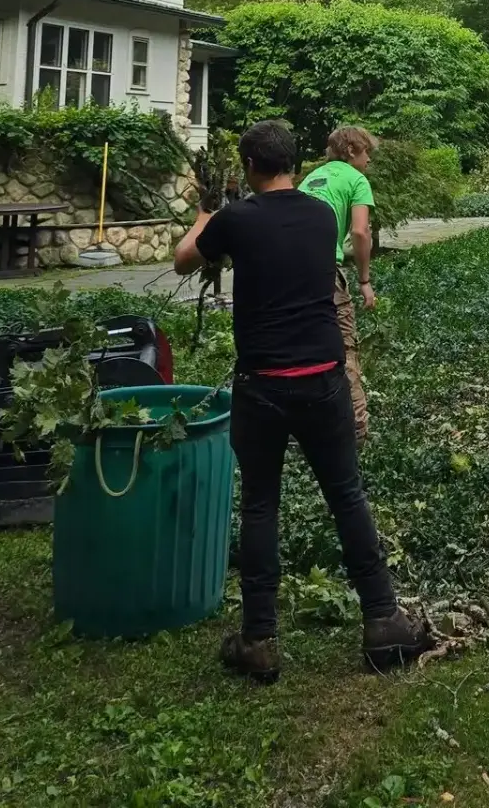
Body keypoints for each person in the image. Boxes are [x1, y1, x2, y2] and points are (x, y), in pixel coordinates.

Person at [173, 118, 429, 682]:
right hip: (324, 377)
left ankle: (260, 637)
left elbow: (183, 260)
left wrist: (205, 214)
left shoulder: (235, 219)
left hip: (261, 384)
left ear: (249, 166)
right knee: (346, 495)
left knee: (261, 504)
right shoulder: (320, 215)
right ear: (294, 164)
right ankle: (384, 621)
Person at [298, 125, 378, 441]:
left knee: (302, 345)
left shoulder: (311, 178)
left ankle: (302, 424)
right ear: (351, 152)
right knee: (342, 349)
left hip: (286, 270)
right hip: (322, 272)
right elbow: (360, 233)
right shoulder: (356, 180)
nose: (369, 159)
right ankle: (356, 430)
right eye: (366, 151)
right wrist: (364, 280)